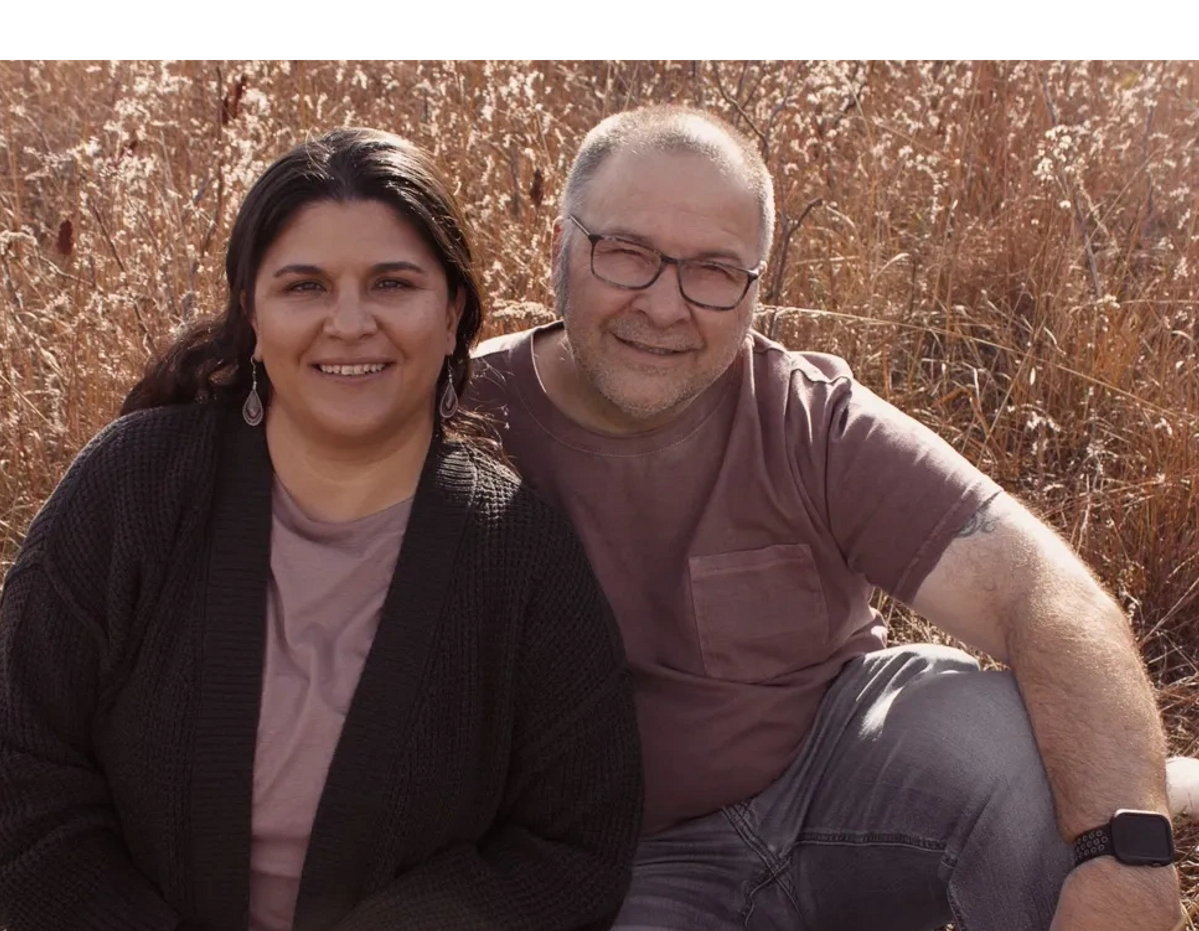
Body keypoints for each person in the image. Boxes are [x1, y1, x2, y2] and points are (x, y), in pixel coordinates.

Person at [467, 106, 1185, 931]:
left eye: (712, 270)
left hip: (842, 775)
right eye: (626, 254)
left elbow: (1043, 592)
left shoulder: (807, 416)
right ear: (558, 243)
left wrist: (1125, 859)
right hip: (637, 868)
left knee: (993, 737)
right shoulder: (461, 421)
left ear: (756, 289)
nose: (665, 306)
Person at [0, 128, 643, 931]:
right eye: (305, 286)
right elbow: (16, 775)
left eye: (393, 283)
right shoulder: (134, 490)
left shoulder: (521, 555)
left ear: (453, 308)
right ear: (250, 309)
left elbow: (575, 847)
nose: (350, 323)